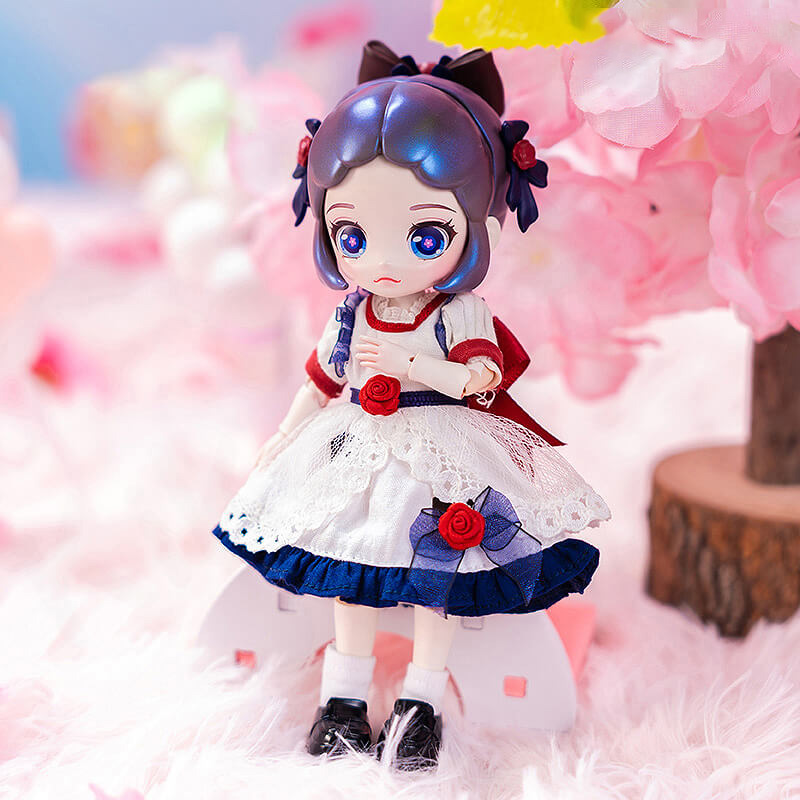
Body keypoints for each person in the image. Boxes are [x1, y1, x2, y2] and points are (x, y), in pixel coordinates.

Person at [213, 40, 610, 771]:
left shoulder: (458, 313)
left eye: (425, 235)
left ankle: (420, 702)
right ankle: (343, 697)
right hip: (354, 446)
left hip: (442, 449)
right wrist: (285, 436)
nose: (384, 261)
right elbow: (321, 379)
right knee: (350, 568)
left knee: (439, 582)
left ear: (476, 226)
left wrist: (409, 364)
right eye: (353, 236)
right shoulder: (352, 312)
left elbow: (481, 379)